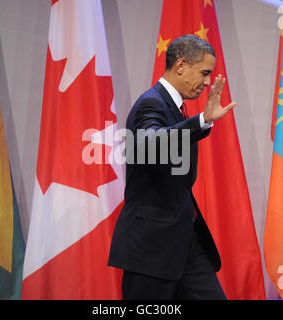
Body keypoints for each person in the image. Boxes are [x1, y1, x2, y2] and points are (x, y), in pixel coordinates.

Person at [108, 34, 236, 300]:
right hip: (152, 246)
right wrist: (202, 120)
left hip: (185, 241)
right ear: (180, 66)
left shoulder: (176, 107)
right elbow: (151, 144)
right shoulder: (151, 103)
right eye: (203, 73)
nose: (207, 82)